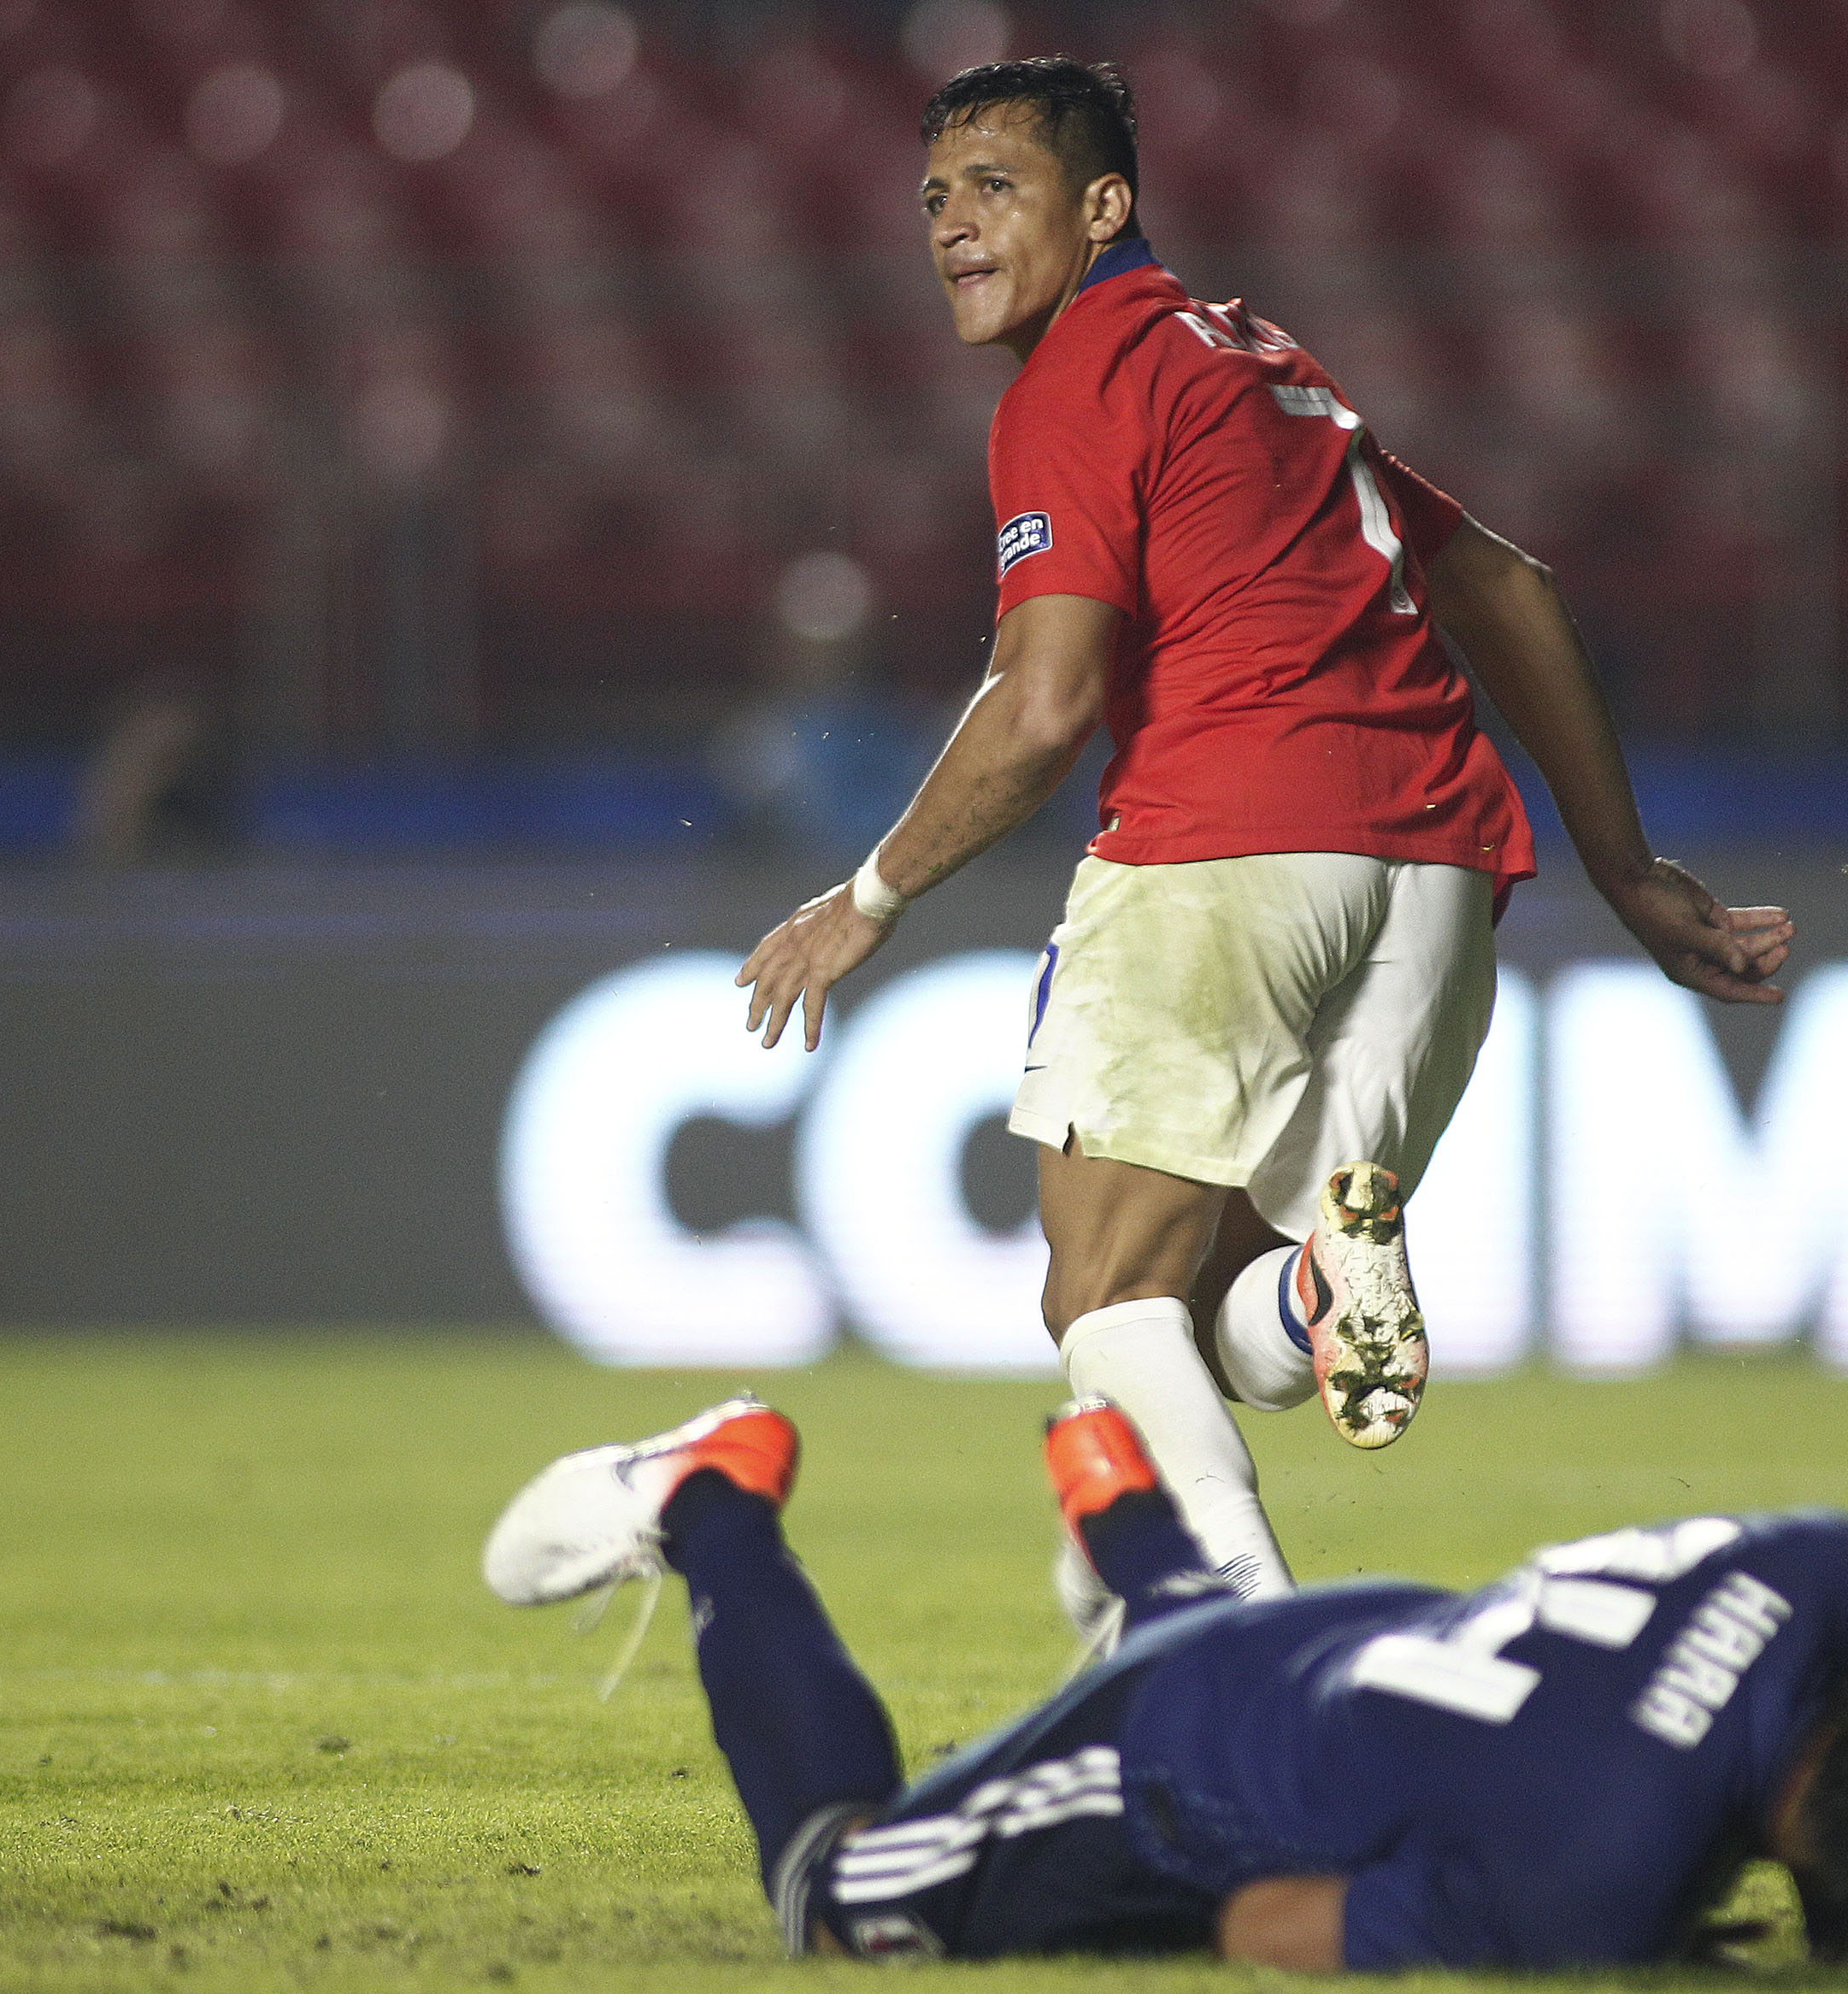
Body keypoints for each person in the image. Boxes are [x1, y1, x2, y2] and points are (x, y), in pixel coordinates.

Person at [731, 56, 1794, 1616]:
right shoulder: (1271, 366)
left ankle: (1241, 1622)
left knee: (1096, 1302)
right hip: (1435, 883)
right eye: (935, 201)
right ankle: (1309, 1301)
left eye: (997, 189)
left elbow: (1045, 707)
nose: (953, 227)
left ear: (1105, 205)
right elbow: (1511, 588)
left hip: (1222, 853)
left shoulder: (1078, 380)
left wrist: (869, 896)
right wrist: (1624, 869)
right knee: (1220, 1314)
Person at [482, 1394, 1848, 1972]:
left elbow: (1656, 1709)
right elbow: (1259, 1930)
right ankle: (707, 1494)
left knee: (1359, 1736)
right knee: (837, 1892)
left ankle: (1128, 1517)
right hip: (1175, 1760)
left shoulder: (1845, 1574)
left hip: (1368, 1632)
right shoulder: (1596, 1888)